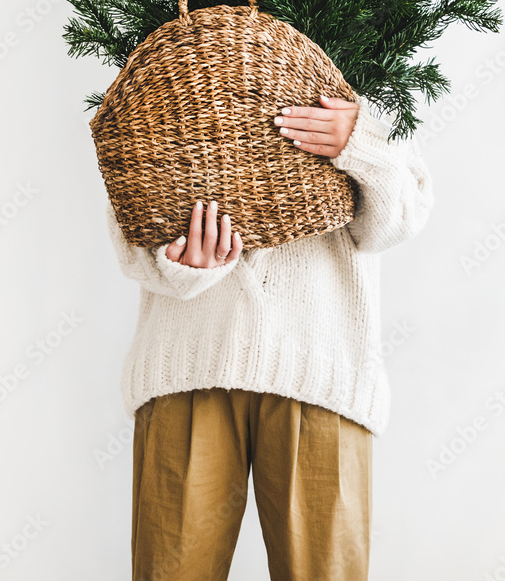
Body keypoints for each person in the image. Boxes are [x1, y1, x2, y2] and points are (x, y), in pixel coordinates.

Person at [105, 92, 434, 580]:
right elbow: (130, 220)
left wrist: (360, 141)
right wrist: (178, 264)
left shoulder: (354, 69)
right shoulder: (180, 57)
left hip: (321, 369)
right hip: (187, 362)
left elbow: (400, 219)